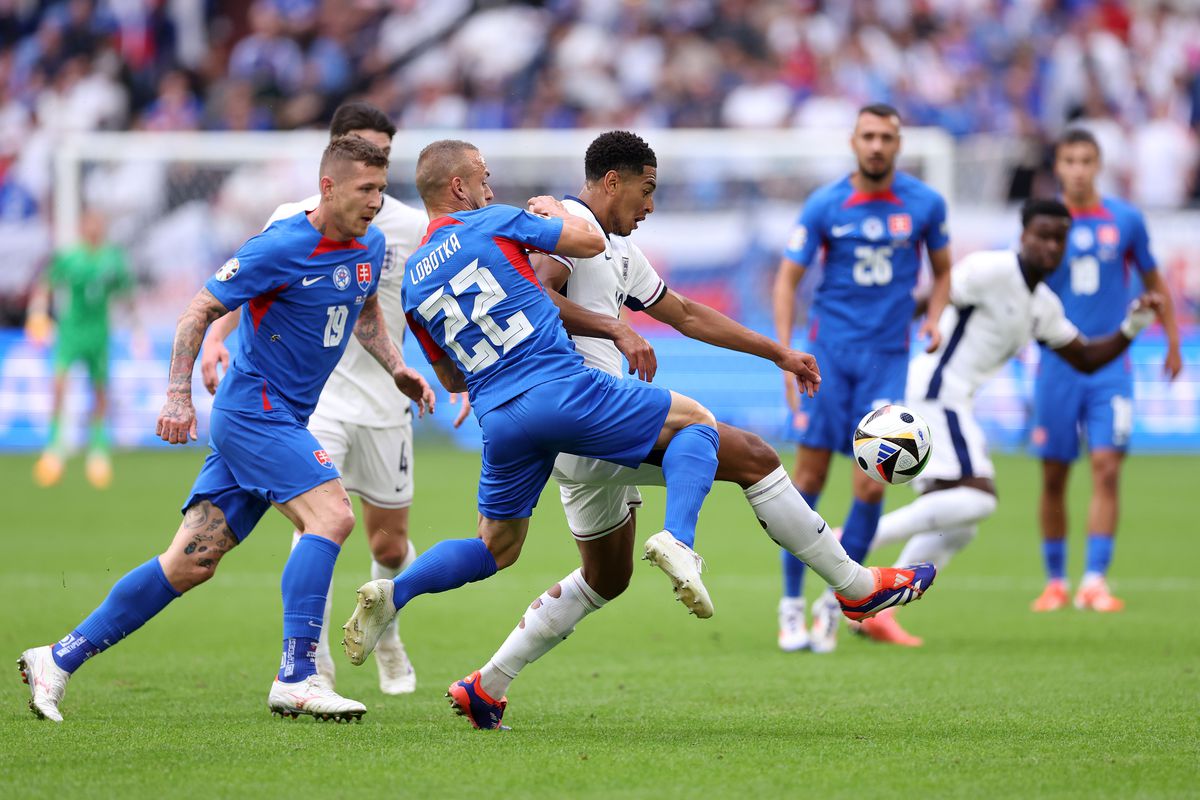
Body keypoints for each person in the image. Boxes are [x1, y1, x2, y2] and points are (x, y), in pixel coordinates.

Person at [451, 130, 938, 729]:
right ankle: (854, 584)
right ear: (612, 182)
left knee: (608, 576)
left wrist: (776, 352)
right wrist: (616, 329)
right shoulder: (567, 226)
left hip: (574, 435)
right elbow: (539, 294)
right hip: (587, 414)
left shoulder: (615, 248)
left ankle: (486, 684)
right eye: (646, 190)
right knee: (749, 455)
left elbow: (682, 313)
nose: (650, 205)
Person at [18, 136, 435, 723]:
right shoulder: (281, 245)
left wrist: (397, 368)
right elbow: (198, 311)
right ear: (328, 187)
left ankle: (56, 658)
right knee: (334, 516)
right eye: (365, 189)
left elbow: (363, 310)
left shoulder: (366, 244)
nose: (376, 201)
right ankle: (297, 675)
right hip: (251, 413)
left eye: (381, 188)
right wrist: (177, 395)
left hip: (280, 417)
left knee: (191, 560)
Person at [340, 139, 730, 719]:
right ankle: (679, 541)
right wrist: (547, 208)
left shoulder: (415, 285)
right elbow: (591, 241)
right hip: (561, 388)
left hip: (499, 419)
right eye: (484, 178)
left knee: (494, 547)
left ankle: (395, 593)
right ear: (458, 189)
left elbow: (449, 375)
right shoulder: (490, 222)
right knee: (698, 423)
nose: (492, 190)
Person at [857, 198, 1163, 646]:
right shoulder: (990, 269)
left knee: (959, 525)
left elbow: (1085, 357)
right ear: (1023, 236)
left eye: (1059, 238)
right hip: (936, 391)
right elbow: (928, 295)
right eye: (1041, 235)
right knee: (980, 498)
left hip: (954, 401)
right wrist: (900, 342)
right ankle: (856, 542)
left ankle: (873, 609)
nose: (1050, 245)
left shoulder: (1043, 305)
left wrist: (1132, 327)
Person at [200, 102, 429, 695]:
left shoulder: (403, 225)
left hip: (386, 401)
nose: (372, 170)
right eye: (360, 151)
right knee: (318, 522)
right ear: (332, 162)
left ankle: (387, 630)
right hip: (314, 400)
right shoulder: (290, 220)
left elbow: (417, 304)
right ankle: (312, 664)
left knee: (390, 542)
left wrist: (453, 375)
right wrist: (215, 341)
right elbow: (241, 284)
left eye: (381, 156)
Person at [772, 103, 952, 653]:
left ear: (898, 144)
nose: (877, 145)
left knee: (872, 480)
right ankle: (790, 605)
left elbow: (943, 272)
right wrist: (785, 353)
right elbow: (787, 282)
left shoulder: (925, 203)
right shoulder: (826, 203)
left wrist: (936, 318)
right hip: (828, 357)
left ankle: (837, 603)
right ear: (854, 142)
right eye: (868, 136)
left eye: (887, 137)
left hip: (886, 357)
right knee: (807, 478)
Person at [1030, 128, 1182, 614]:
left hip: (1111, 365)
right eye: (1069, 160)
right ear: (1057, 167)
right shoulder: (1045, 222)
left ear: (1098, 166)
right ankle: (1056, 581)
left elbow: (1155, 281)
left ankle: (1094, 579)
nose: (1077, 169)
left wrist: (1173, 342)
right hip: (1057, 364)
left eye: (1086, 160)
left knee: (1106, 468)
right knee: (1054, 475)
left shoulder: (1126, 219)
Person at [28, 209, 135, 490]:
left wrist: (137, 329)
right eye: (89, 222)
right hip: (71, 331)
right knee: (59, 384)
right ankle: (54, 447)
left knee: (99, 390)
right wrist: (38, 313)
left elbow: (126, 294)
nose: (94, 228)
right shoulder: (69, 257)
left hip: (98, 333)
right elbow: (46, 283)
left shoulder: (113, 259)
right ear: (81, 226)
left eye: (98, 222)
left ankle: (97, 450)